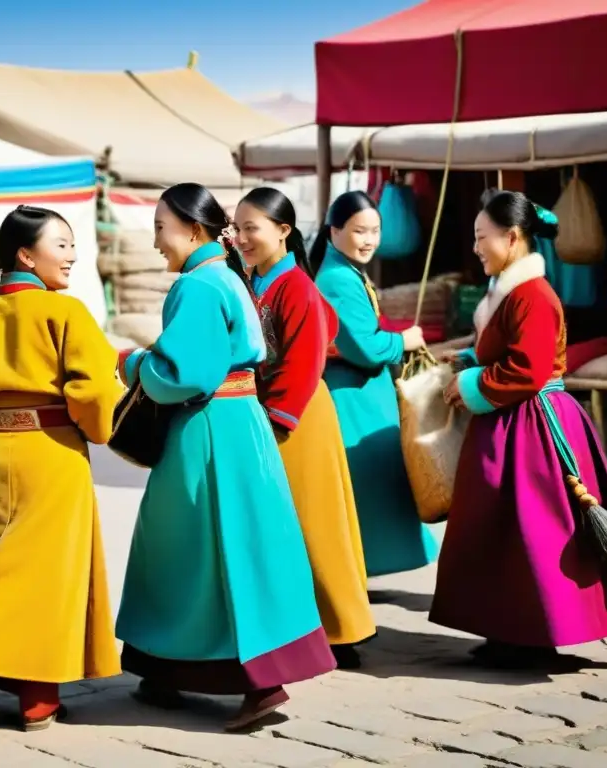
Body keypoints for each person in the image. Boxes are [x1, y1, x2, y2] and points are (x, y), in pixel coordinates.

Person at [115, 183, 334, 732]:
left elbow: (182, 375)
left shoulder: (199, 284)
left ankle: (252, 681)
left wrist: (136, 364)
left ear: (192, 230)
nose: (156, 242)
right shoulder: (230, 276)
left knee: (188, 549)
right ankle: (172, 671)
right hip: (241, 425)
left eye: (161, 229)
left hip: (206, 429)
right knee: (239, 547)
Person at [431, 190, 607, 667]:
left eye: (482, 237)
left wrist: (473, 381)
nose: (476, 247)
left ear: (512, 237)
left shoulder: (533, 295)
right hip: (509, 421)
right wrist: (474, 359)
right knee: (500, 531)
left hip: (534, 427)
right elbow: (509, 353)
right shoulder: (509, 291)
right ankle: (507, 630)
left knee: (538, 531)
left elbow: (529, 371)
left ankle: (539, 635)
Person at [0, 205, 122, 734]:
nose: (73, 255)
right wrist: (94, 427)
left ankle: (6, 687)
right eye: (62, 244)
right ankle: (13, 691)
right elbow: (97, 391)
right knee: (47, 578)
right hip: (53, 452)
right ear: (25, 255)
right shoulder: (68, 313)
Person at [234, 188, 375, 669]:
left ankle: (343, 630)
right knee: (284, 525)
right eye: (237, 228)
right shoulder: (254, 281)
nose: (242, 238)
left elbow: (303, 362)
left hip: (298, 416)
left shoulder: (297, 286)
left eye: (252, 227)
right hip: (272, 412)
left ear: (283, 231)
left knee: (317, 525)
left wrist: (277, 420)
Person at [313, 191, 439, 577]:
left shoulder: (345, 271)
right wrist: (404, 341)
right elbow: (364, 347)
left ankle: (355, 572)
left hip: (361, 392)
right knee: (367, 487)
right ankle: (348, 575)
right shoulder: (336, 278)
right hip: (352, 396)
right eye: (358, 231)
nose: (368, 240)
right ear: (334, 231)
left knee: (369, 488)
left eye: (375, 231)